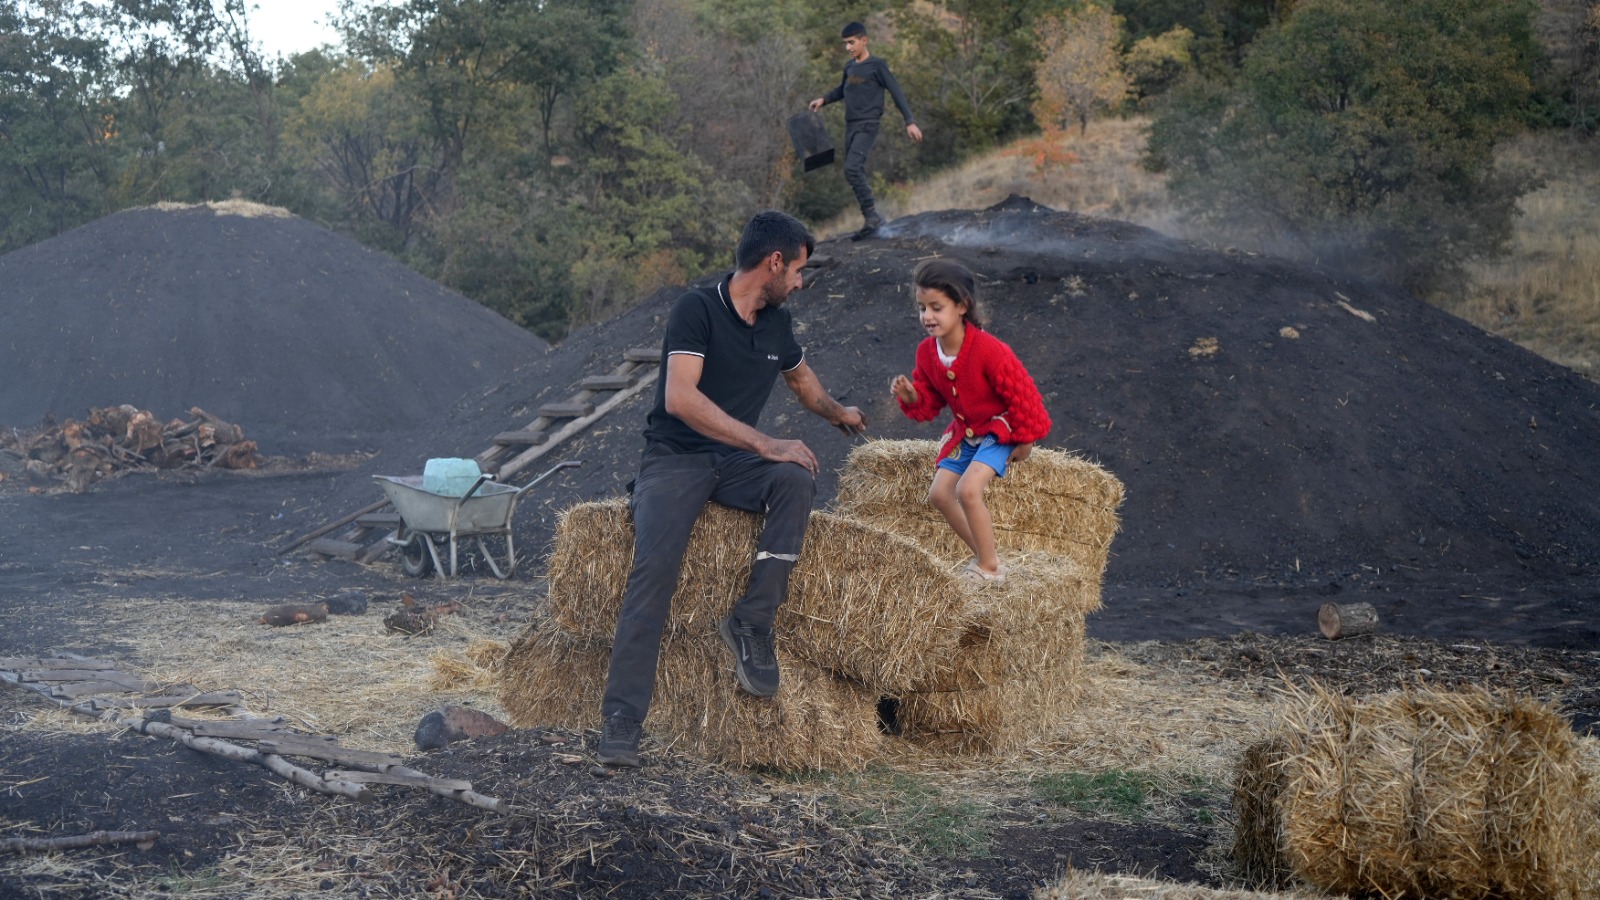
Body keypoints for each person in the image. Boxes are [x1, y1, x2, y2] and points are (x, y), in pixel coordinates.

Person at [597, 210, 869, 768]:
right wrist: (765, 442)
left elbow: (800, 379)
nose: (799, 282)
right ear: (773, 263)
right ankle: (622, 720)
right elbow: (680, 398)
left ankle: (752, 621)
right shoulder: (696, 310)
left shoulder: (776, 324)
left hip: (736, 463)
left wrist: (838, 412)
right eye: (796, 271)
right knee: (654, 572)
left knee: (796, 478)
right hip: (676, 459)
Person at [889, 259, 1051, 583]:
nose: (927, 316)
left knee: (968, 490)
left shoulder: (990, 350)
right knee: (939, 494)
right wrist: (910, 396)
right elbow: (931, 398)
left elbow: (1024, 396)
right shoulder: (927, 353)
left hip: (999, 429)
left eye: (937, 307)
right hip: (967, 431)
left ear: (962, 306)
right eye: (922, 308)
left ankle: (989, 567)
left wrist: (1026, 440)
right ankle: (986, 557)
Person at [808, 21, 923, 240]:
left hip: (868, 124)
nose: (848, 48)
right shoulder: (850, 67)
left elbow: (896, 91)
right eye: (845, 44)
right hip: (850, 125)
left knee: (852, 168)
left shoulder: (877, 65)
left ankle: (872, 216)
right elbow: (842, 89)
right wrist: (823, 99)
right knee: (851, 171)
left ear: (864, 40)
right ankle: (872, 218)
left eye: (851, 42)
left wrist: (910, 121)